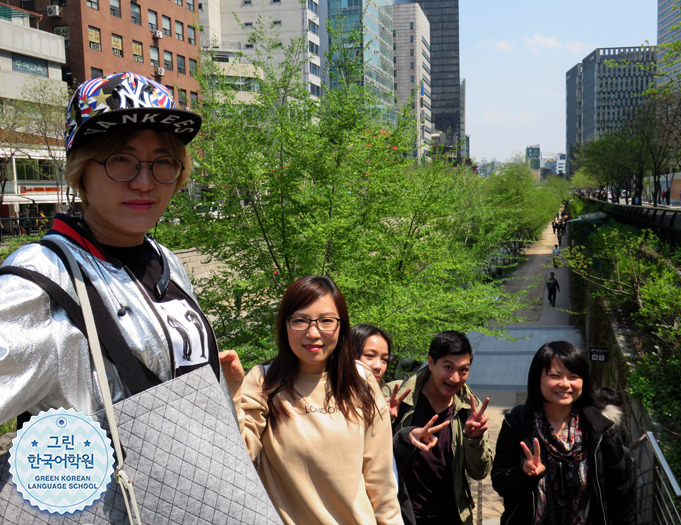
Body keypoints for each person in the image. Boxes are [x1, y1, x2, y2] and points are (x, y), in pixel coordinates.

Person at [0, 72, 220, 426]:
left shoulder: (165, 261)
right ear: (81, 169)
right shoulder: (42, 276)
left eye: (163, 162)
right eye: (121, 159)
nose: (144, 182)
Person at [219, 276, 402, 525]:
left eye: (326, 321)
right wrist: (233, 392)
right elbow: (238, 455)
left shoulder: (361, 380)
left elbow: (381, 482)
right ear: (285, 326)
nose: (313, 332)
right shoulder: (264, 382)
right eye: (299, 320)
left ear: (342, 326)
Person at [491, 341, 635, 525]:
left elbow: (620, 494)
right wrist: (523, 473)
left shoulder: (601, 427)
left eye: (573, 376)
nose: (565, 384)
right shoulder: (518, 423)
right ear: (537, 379)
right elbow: (500, 483)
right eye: (555, 376)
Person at [388, 330, 492, 525]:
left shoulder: (471, 410)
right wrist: (383, 420)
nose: (455, 378)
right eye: (448, 367)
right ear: (431, 362)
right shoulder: (396, 397)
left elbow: (479, 473)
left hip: (451, 516)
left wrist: (473, 439)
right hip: (400, 515)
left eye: (463, 370)